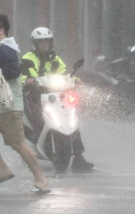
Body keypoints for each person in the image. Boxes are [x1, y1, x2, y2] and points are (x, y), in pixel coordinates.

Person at [0, 14, 49, 194]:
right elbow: (3, 74)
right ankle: (3, 169)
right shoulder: (1, 49)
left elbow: (13, 72)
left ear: (1, 31)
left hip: (7, 108)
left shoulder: (5, 49)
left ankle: (41, 179)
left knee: (19, 144)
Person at [20, 27, 93, 172]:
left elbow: (64, 73)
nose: (45, 44)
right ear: (35, 43)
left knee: (71, 118)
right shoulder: (28, 58)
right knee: (38, 122)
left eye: (47, 41)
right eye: (41, 42)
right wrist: (27, 81)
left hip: (55, 95)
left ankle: (79, 157)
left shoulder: (55, 58)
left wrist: (75, 80)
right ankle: (37, 141)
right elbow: (21, 75)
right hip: (34, 94)